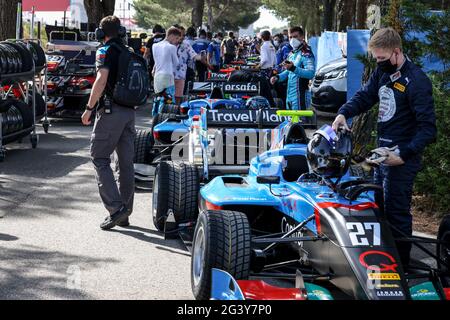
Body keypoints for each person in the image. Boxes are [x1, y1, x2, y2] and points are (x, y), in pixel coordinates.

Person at [331, 27, 437, 266]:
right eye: (376, 58)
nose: (378, 63)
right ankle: (379, 262)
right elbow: (365, 97)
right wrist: (343, 114)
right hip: (381, 155)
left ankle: (401, 267)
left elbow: (428, 129)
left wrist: (403, 155)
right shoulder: (382, 73)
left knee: (396, 213)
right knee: (376, 209)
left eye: (382, 58)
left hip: (402, 158)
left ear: (396, 52)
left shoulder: (417, 81)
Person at [81, 16, 136, 230]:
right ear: (120, 31)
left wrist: (88, 108)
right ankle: (126, 211)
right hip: (129, 112)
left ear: (100, 34)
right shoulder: (129, 52)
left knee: (99, 157)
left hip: (111, 110)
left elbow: (101, 79)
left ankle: (115, 209)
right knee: (125, 163)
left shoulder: (104, 51)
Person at [270, 26, 315, 110]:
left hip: (300, 96)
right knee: (290, 121)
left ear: (302, 37)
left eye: (295, 37)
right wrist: (277, 77)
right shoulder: (292, 53)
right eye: (291, 37)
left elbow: (310, 74)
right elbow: (288, 71)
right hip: (289, 95)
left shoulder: (306, 53)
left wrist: (293, 68)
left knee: (300, 122)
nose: (292, 39)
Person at [173, 25, 206, 104]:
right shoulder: (168, 45)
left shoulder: (186, 44)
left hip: (181, 76)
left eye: (184, 35)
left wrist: (201, 57)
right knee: (168, 98)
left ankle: (176, 112)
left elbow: (195, 56)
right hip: (169, 76)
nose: (182, 37)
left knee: (179, 98)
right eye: (180, 35)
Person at [152, 26, 181, 113]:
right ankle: (165, 120)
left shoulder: (154, 45)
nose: (176, 41)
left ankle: (155, 120)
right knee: (168, 99)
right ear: (171, 35)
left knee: (158, 98)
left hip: (157, 76)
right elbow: (177, 63)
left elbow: (156, 62)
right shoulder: (172, 47)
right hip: (168, 76)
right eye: (176, 38)